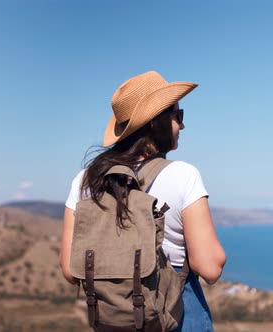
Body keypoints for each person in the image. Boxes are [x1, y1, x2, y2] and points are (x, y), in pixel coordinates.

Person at [59, 70, 226, 331]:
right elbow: (211, 267)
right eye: (178, 116)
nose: (182, 125)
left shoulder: (85, 180)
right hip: (176, 316)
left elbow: (70, 272)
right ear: (154, 122)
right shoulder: (182, 175)